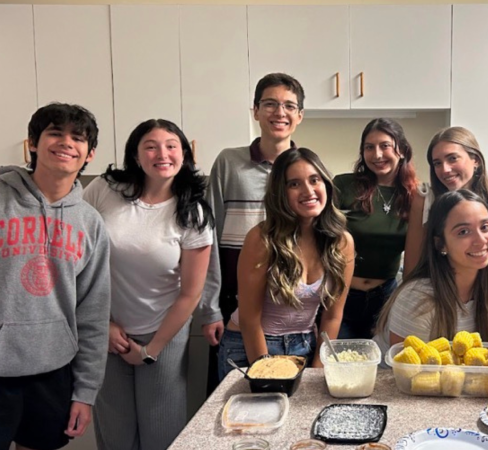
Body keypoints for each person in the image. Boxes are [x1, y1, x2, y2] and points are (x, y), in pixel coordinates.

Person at [0, 103, 111, 450]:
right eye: (55, 133)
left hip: (54, 373)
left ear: (90, 154)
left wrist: (86, 392)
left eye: (78, 138)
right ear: (32, 142)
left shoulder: (90, 223)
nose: (66, 143)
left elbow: (93, 312)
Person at [84, 119, 213, 450]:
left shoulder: (193, 212)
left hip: (164, 332)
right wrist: (104, 324)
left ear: (185, 153)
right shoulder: (103, 189)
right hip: (106, 330)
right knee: (115, 435)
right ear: (135, 154)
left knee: (163, 435)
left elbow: (190, 293)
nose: (162, 153)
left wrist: (151, 351)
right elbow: (77, 262)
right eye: (151, 146)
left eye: (171, 145)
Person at [205, 72, 305, 392]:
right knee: (232, 400)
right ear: (255, 111)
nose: (280, 112)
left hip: (287, 310)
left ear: (299, 116)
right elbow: (207, 236)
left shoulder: (305, 170)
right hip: (232, 306)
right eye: (270, 104)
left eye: (289, 106)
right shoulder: (229, 163)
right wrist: (209, 308)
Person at [217, 148, 354, 378]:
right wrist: (266, 375)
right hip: (248, 346)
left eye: (314, 180)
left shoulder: (341, 242)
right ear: (280, 193)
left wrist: (317, 370)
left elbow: (332, 317)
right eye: (294, 184)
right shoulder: (261, 239)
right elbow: (250, 321)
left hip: (305, 346)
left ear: (326, 185)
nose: (308, 191)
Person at [375, 189, 488, 360]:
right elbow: (406, 374)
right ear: (441, 244)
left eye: (485, 227)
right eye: (463, 232)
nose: (480, 240)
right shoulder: (417, 299)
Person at [333, 118, 419, 339]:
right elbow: (319, 238)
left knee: (381, 368)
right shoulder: (344, 186)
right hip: (342, 295)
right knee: (340, 365)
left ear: (401, 149)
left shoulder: (416, 197)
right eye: (369, 147)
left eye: (385, 146)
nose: (377, 155)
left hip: (386, 298)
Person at [404, 127, 488, 276]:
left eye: (452, 158)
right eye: (437, 163)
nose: (445, 169)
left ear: (475, 160)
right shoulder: (426, 202)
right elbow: (411, 269)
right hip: (430, 294)